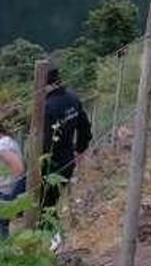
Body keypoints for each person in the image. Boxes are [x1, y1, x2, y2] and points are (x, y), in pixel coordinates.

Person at [41, 67, 92, 236]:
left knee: (43, 206)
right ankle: (53, 239)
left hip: (51, 167)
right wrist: (80, 149)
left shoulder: (47, 108)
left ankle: (51, 241)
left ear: (44, 84)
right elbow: (85, 127)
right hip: (68, 162)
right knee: (50, 204)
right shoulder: (72, 98)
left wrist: (38, 169)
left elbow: (46, 144)